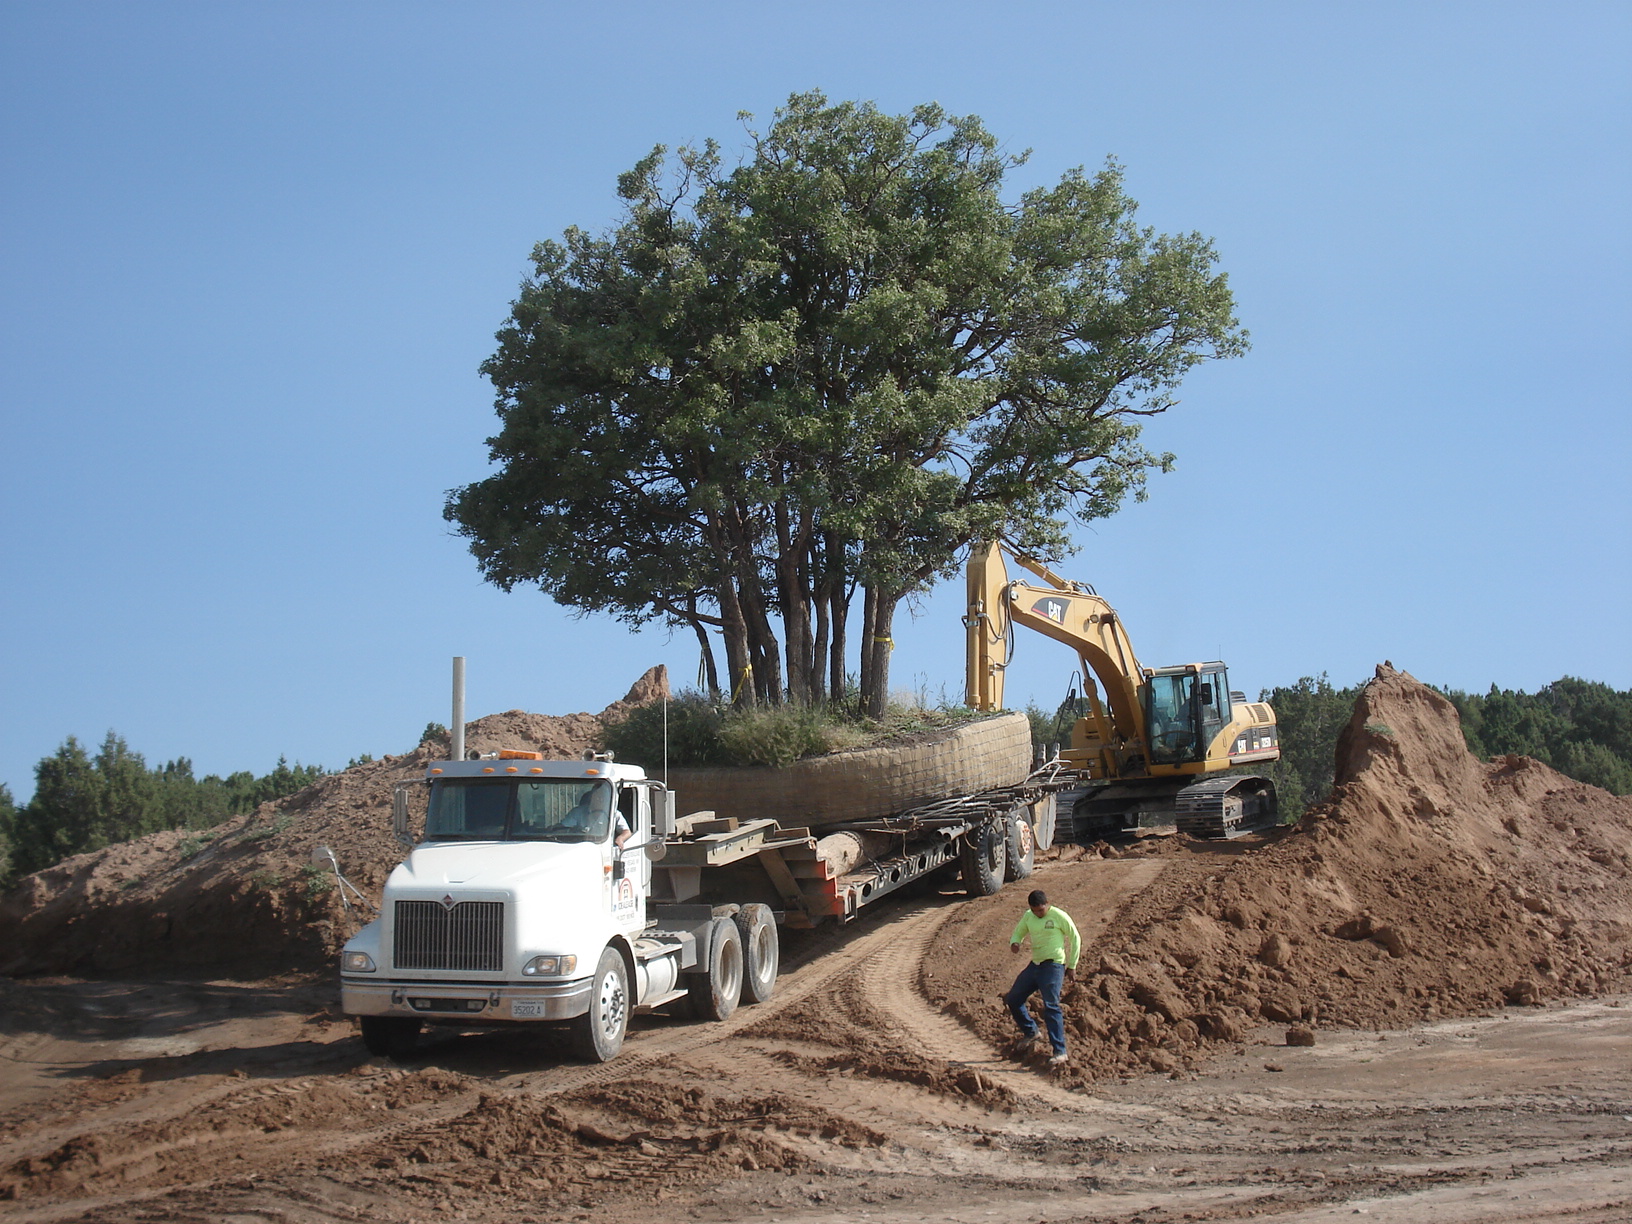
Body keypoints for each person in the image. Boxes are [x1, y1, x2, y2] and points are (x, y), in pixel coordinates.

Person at [1005, 888, 1081, 1066]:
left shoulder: (1058, 916)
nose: (1038, 914)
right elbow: (1019, 932)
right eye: (1035, 910)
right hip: (1035, 965)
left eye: (1041, 910)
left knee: (1051, 1006)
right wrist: (1015, 942)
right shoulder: (1029, 916)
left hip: (1053, 966)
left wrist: (1072, 965)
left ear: (1048, 904)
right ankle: (1031, 1032)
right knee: (1014, 998)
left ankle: (1060, 1051)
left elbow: (1075, 937)